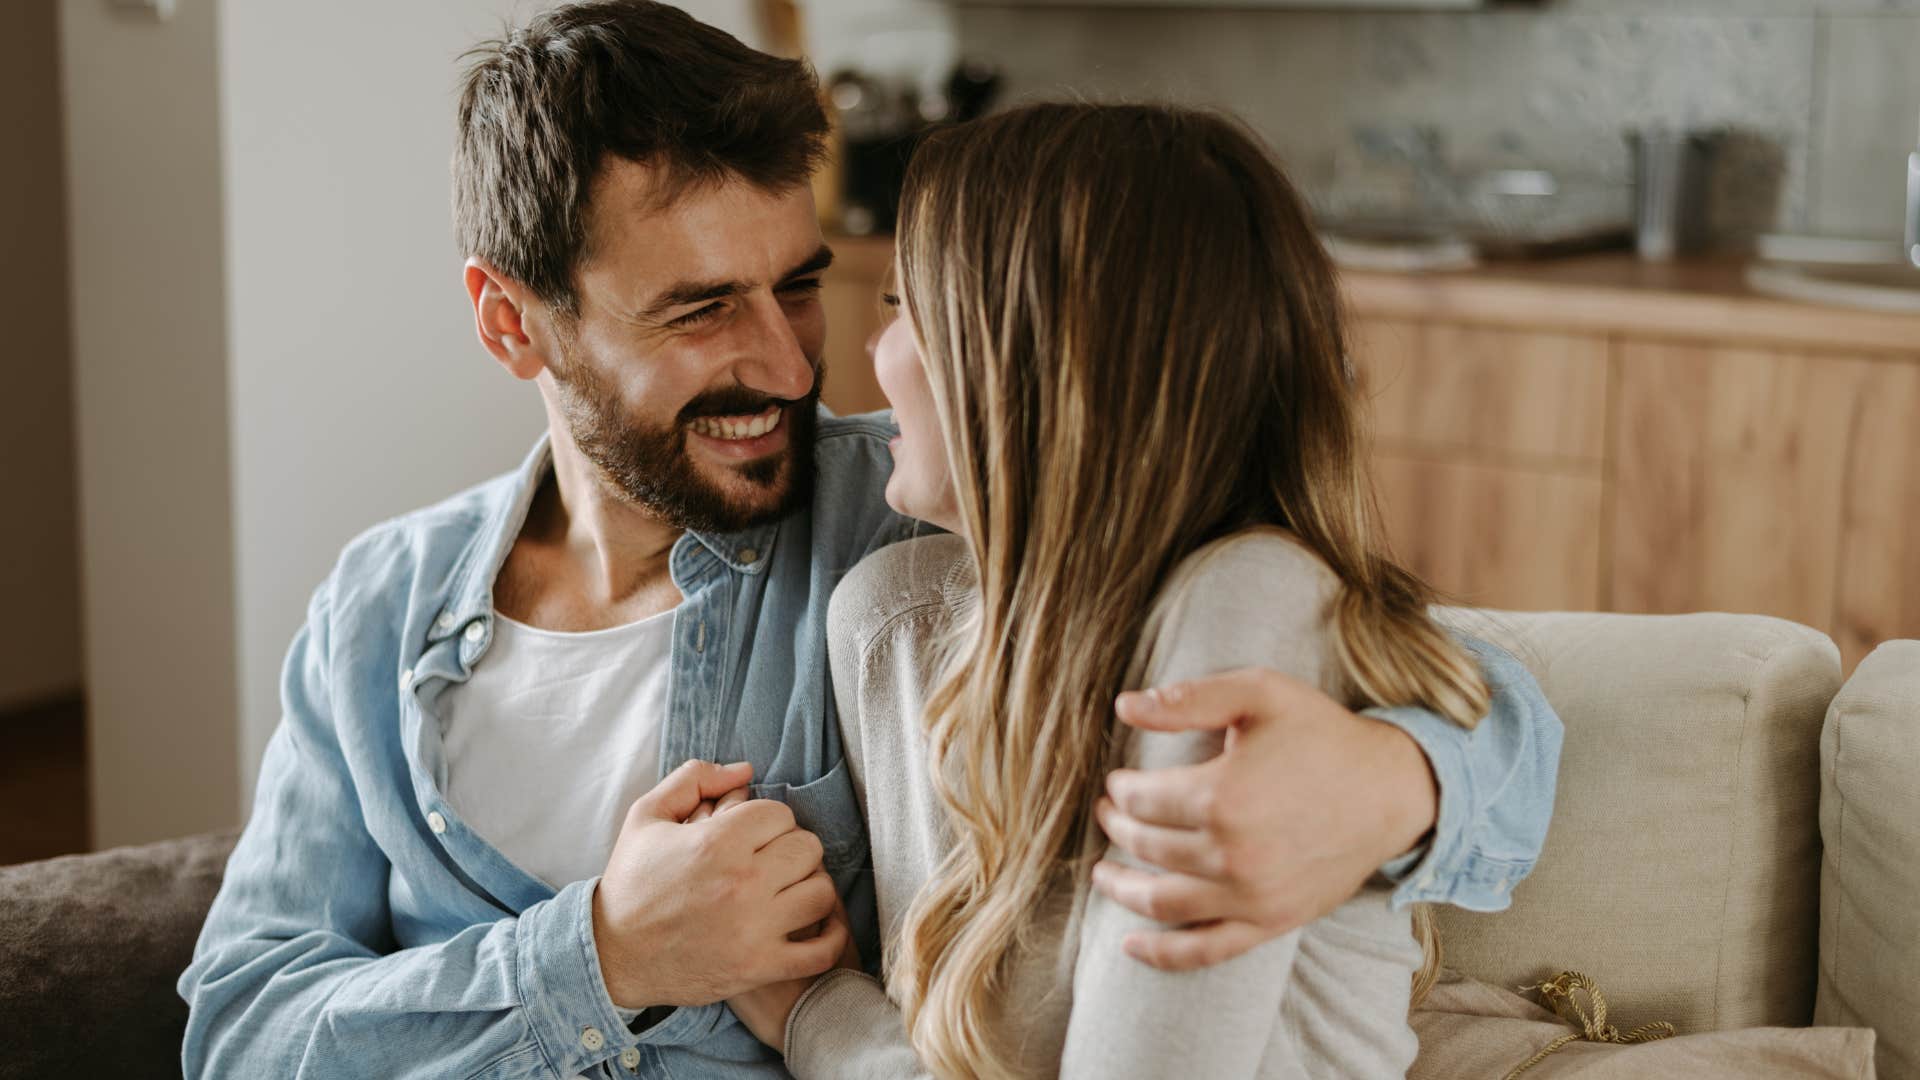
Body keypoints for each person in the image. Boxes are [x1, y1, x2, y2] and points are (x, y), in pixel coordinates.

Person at [177, 4, 1562, 1078]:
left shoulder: (913, 522)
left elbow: (1477, 697)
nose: (790, 366)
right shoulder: (378, 608)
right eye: (702, 310)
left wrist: (1395, 787)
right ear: (513, 323)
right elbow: (238, 1036)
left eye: (801, 286)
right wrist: (602, 955)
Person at [714, 102, 1546, 1079]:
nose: (868, 348)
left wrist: (823, 1019)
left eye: (906, 305)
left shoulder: (1250, 598)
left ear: (1033, 362)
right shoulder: (899, 621)